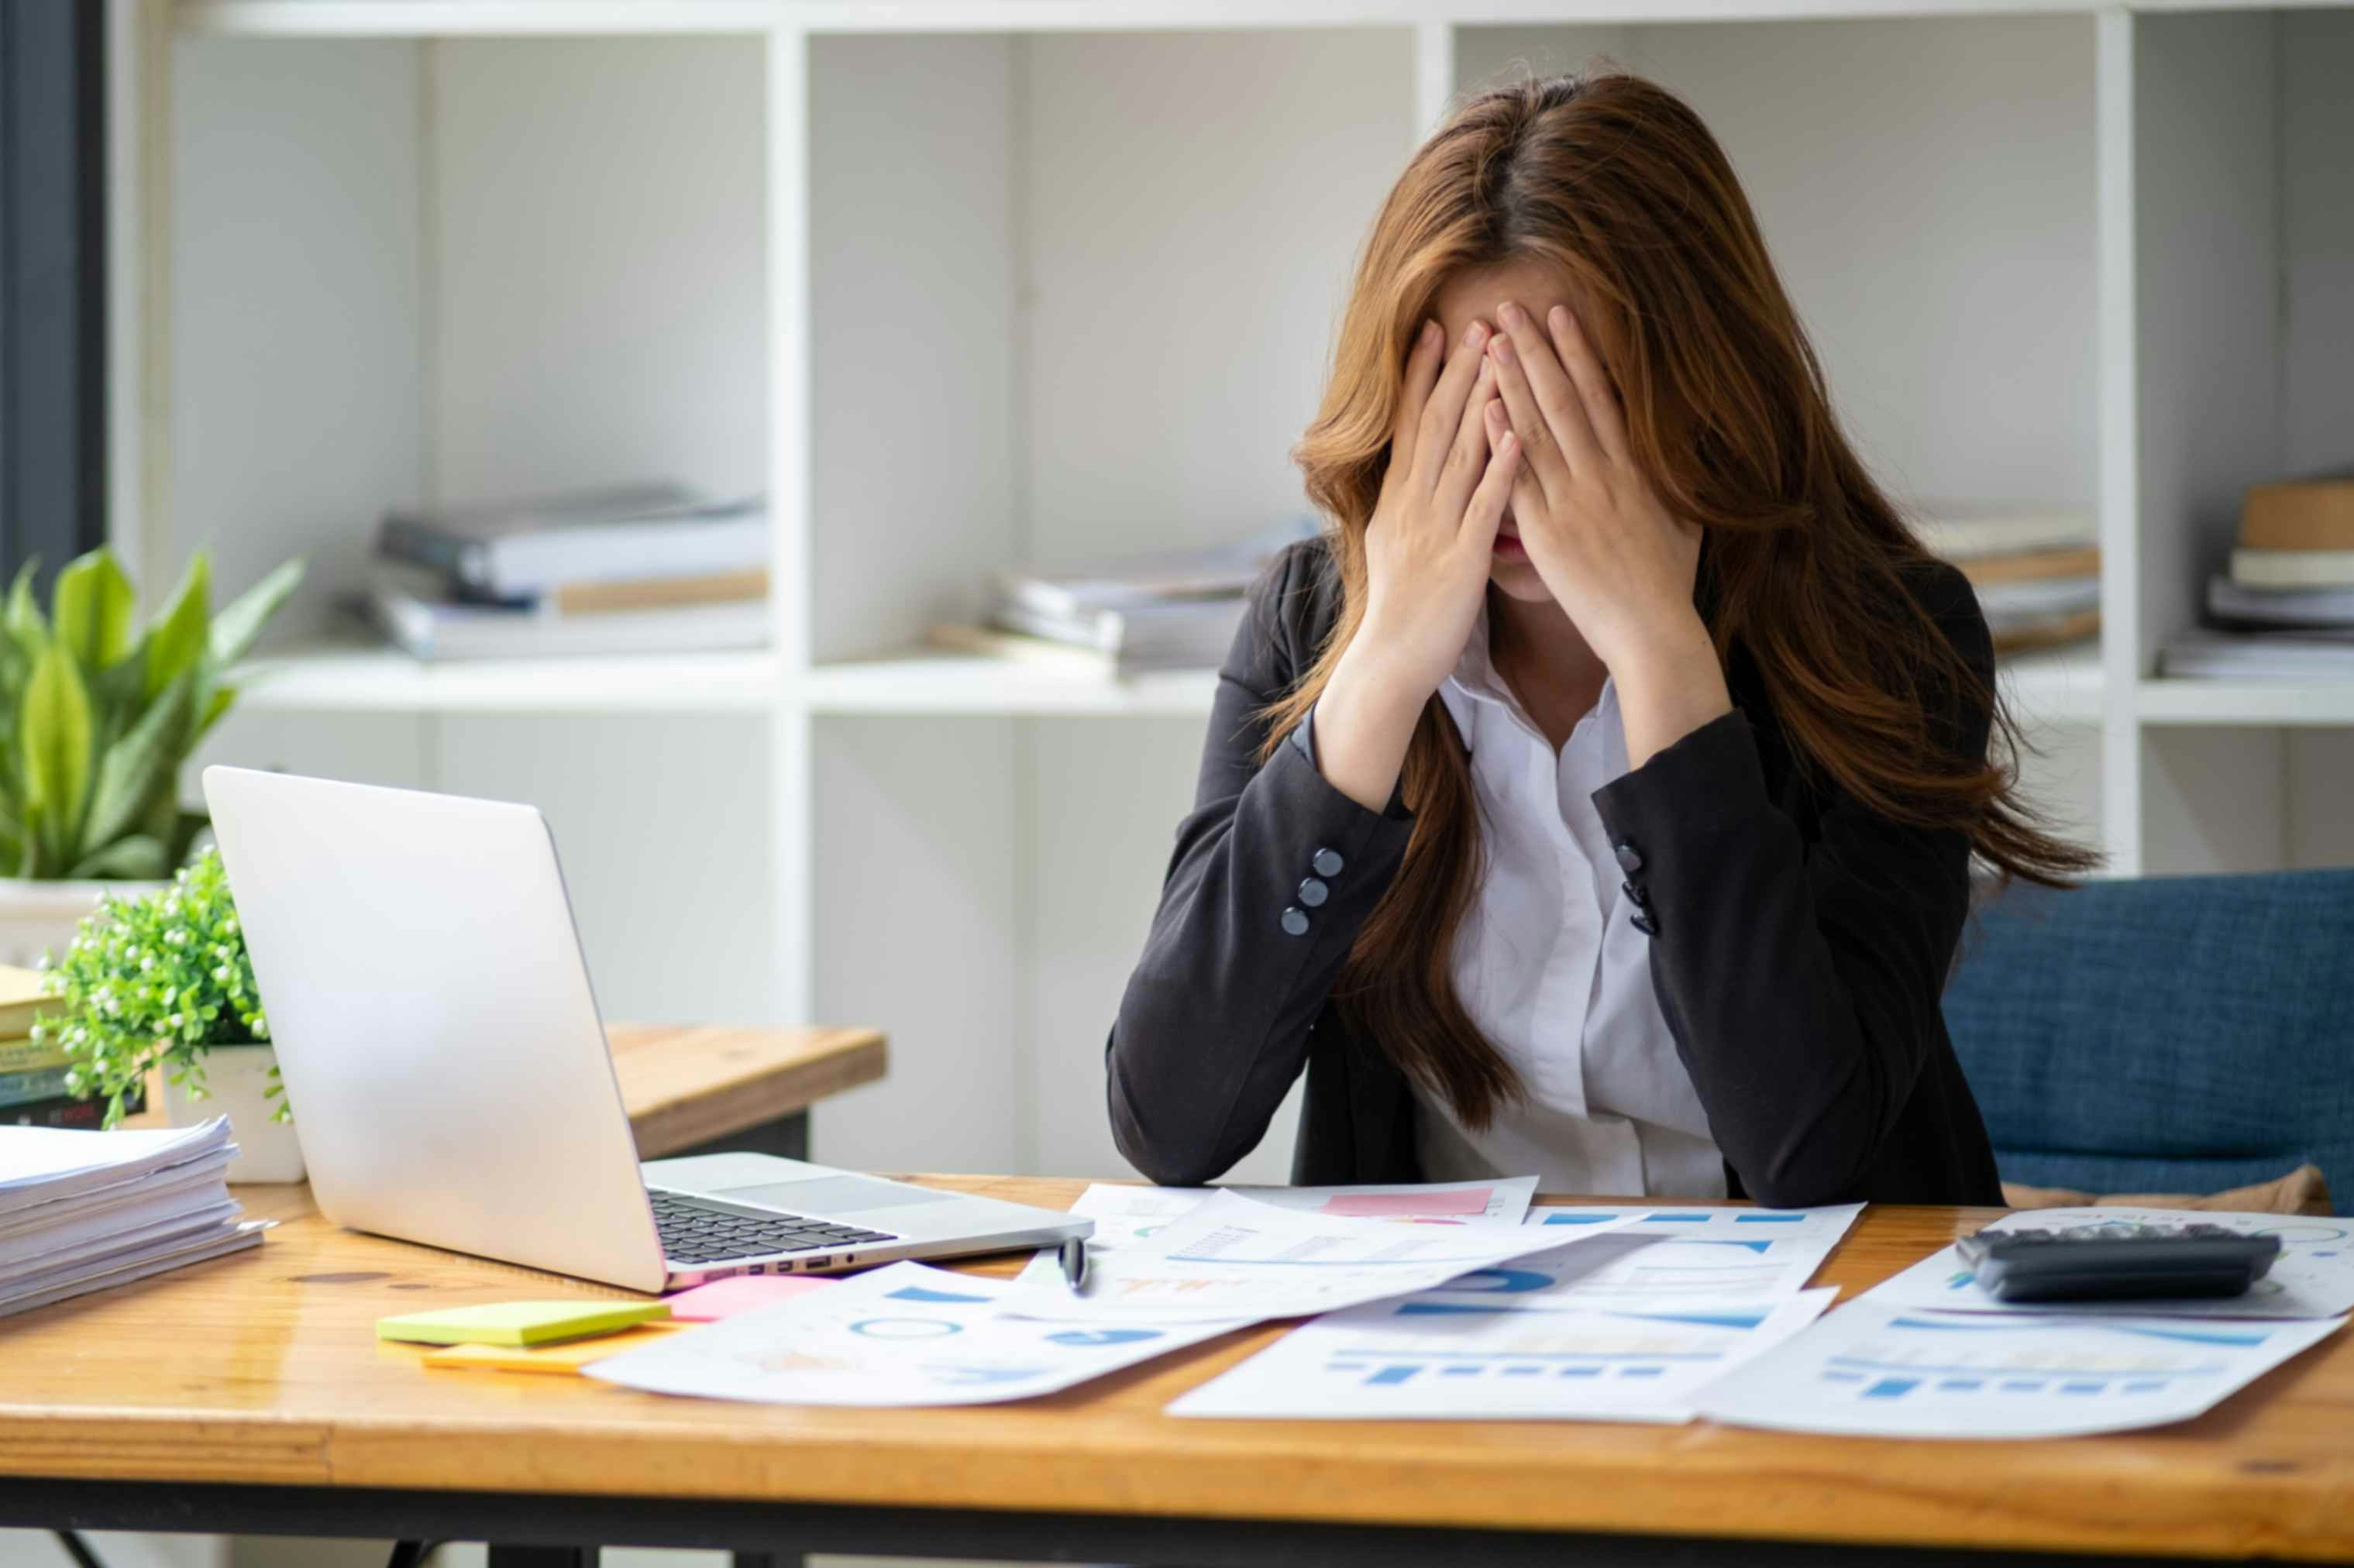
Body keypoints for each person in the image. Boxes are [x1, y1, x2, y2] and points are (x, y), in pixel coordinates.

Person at [1104, 70, 2094, 1209]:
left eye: (1567, 404)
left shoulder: (1886, 639)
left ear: (1702, 387)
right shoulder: (1315, 622)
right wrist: (1378, 676)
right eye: (1463, 405)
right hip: (1444, 1334)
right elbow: (1166, 1122)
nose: (1507, 469)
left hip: (1801, 1325)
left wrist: (1662, 661)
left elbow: (1810, 1153)